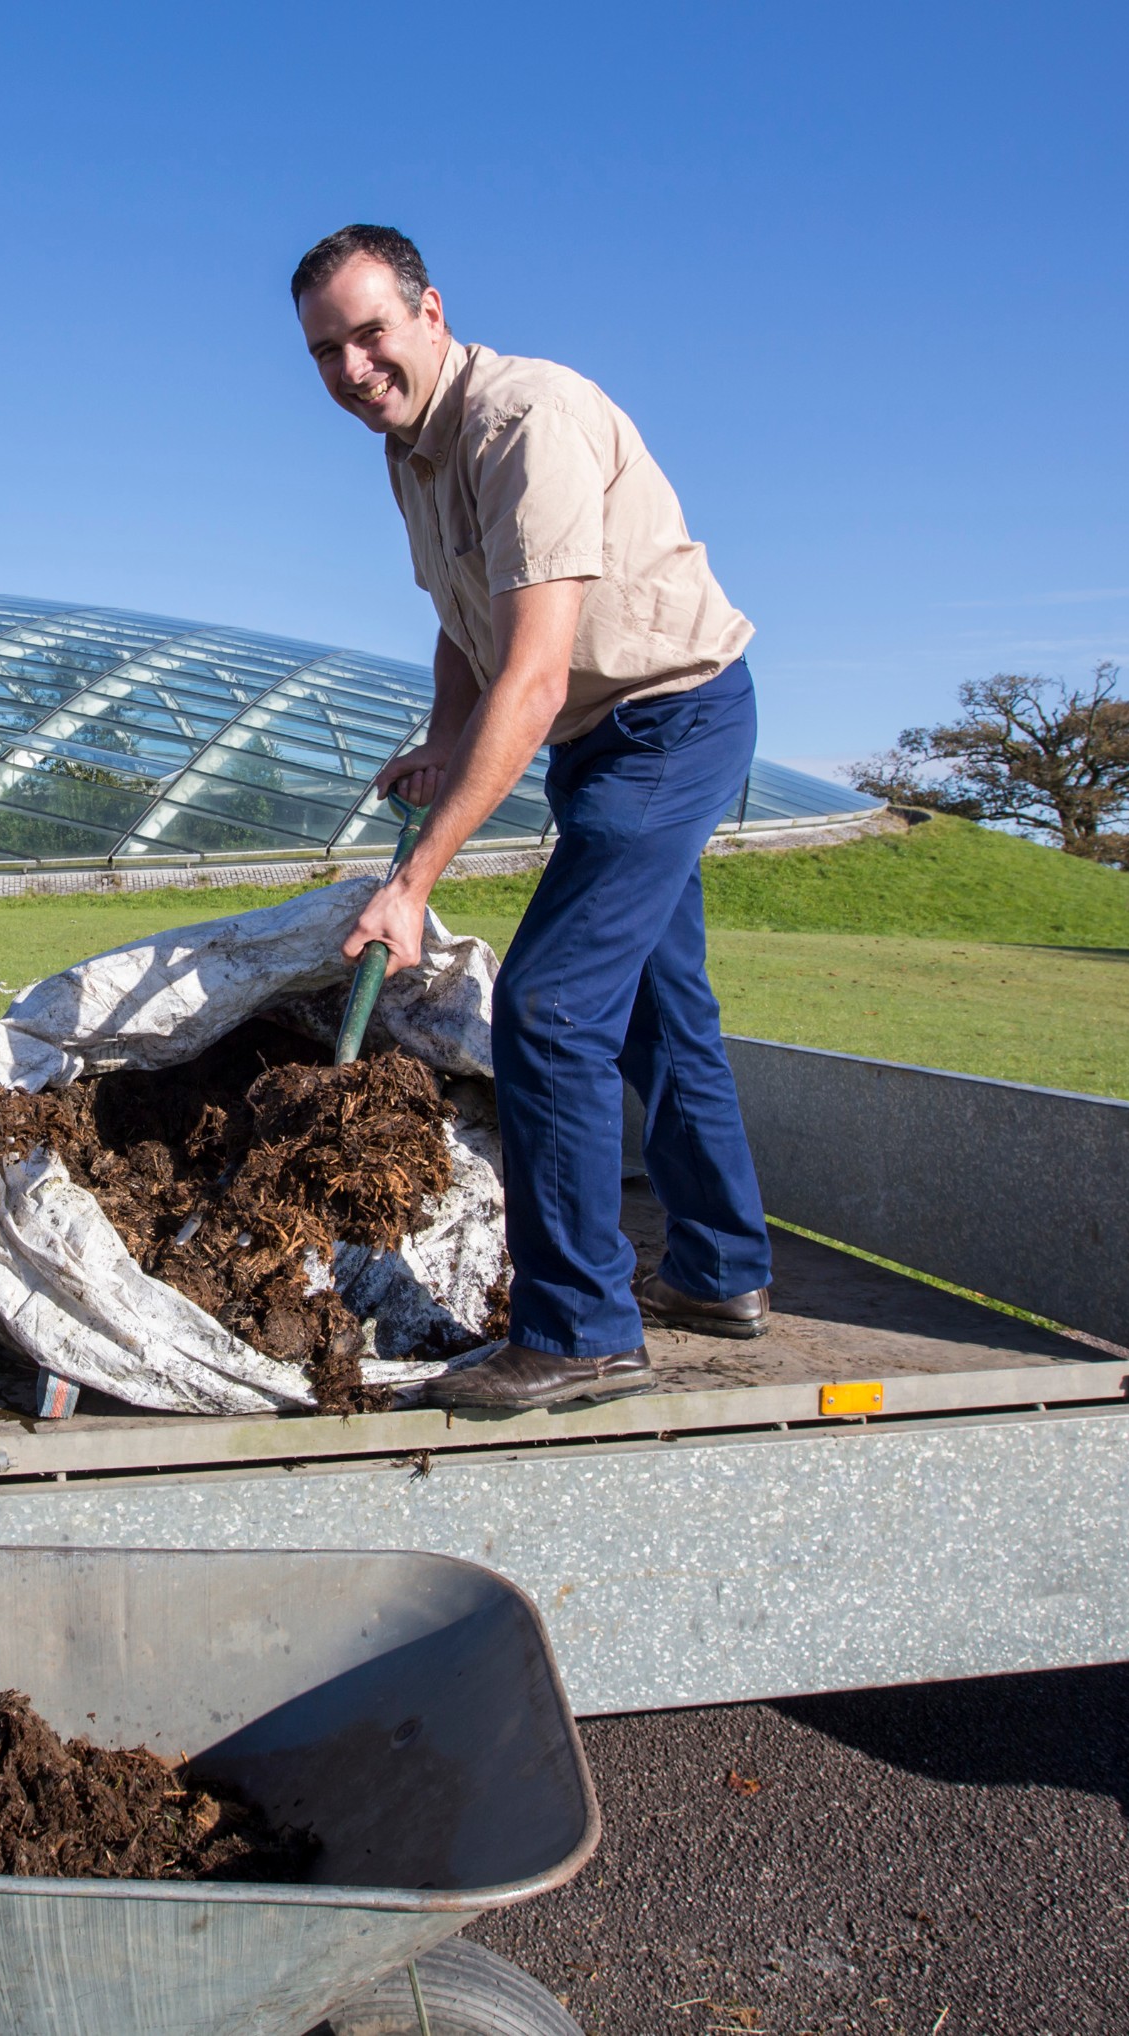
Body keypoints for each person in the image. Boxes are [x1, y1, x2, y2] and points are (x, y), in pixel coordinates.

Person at [293, 224, 772, 1411]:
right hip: (604, 741)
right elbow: (469, 626)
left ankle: (578, 1333)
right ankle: (720, 1271)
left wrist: (410, 890)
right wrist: (444, 736)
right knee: (662, 1012)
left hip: (670, 721)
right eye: (325, 352)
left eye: (370, 334)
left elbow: (537, 673)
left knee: (552, 1010)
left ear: (431, 313)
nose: (353, 369)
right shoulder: (410, 452)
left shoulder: (524, 421)